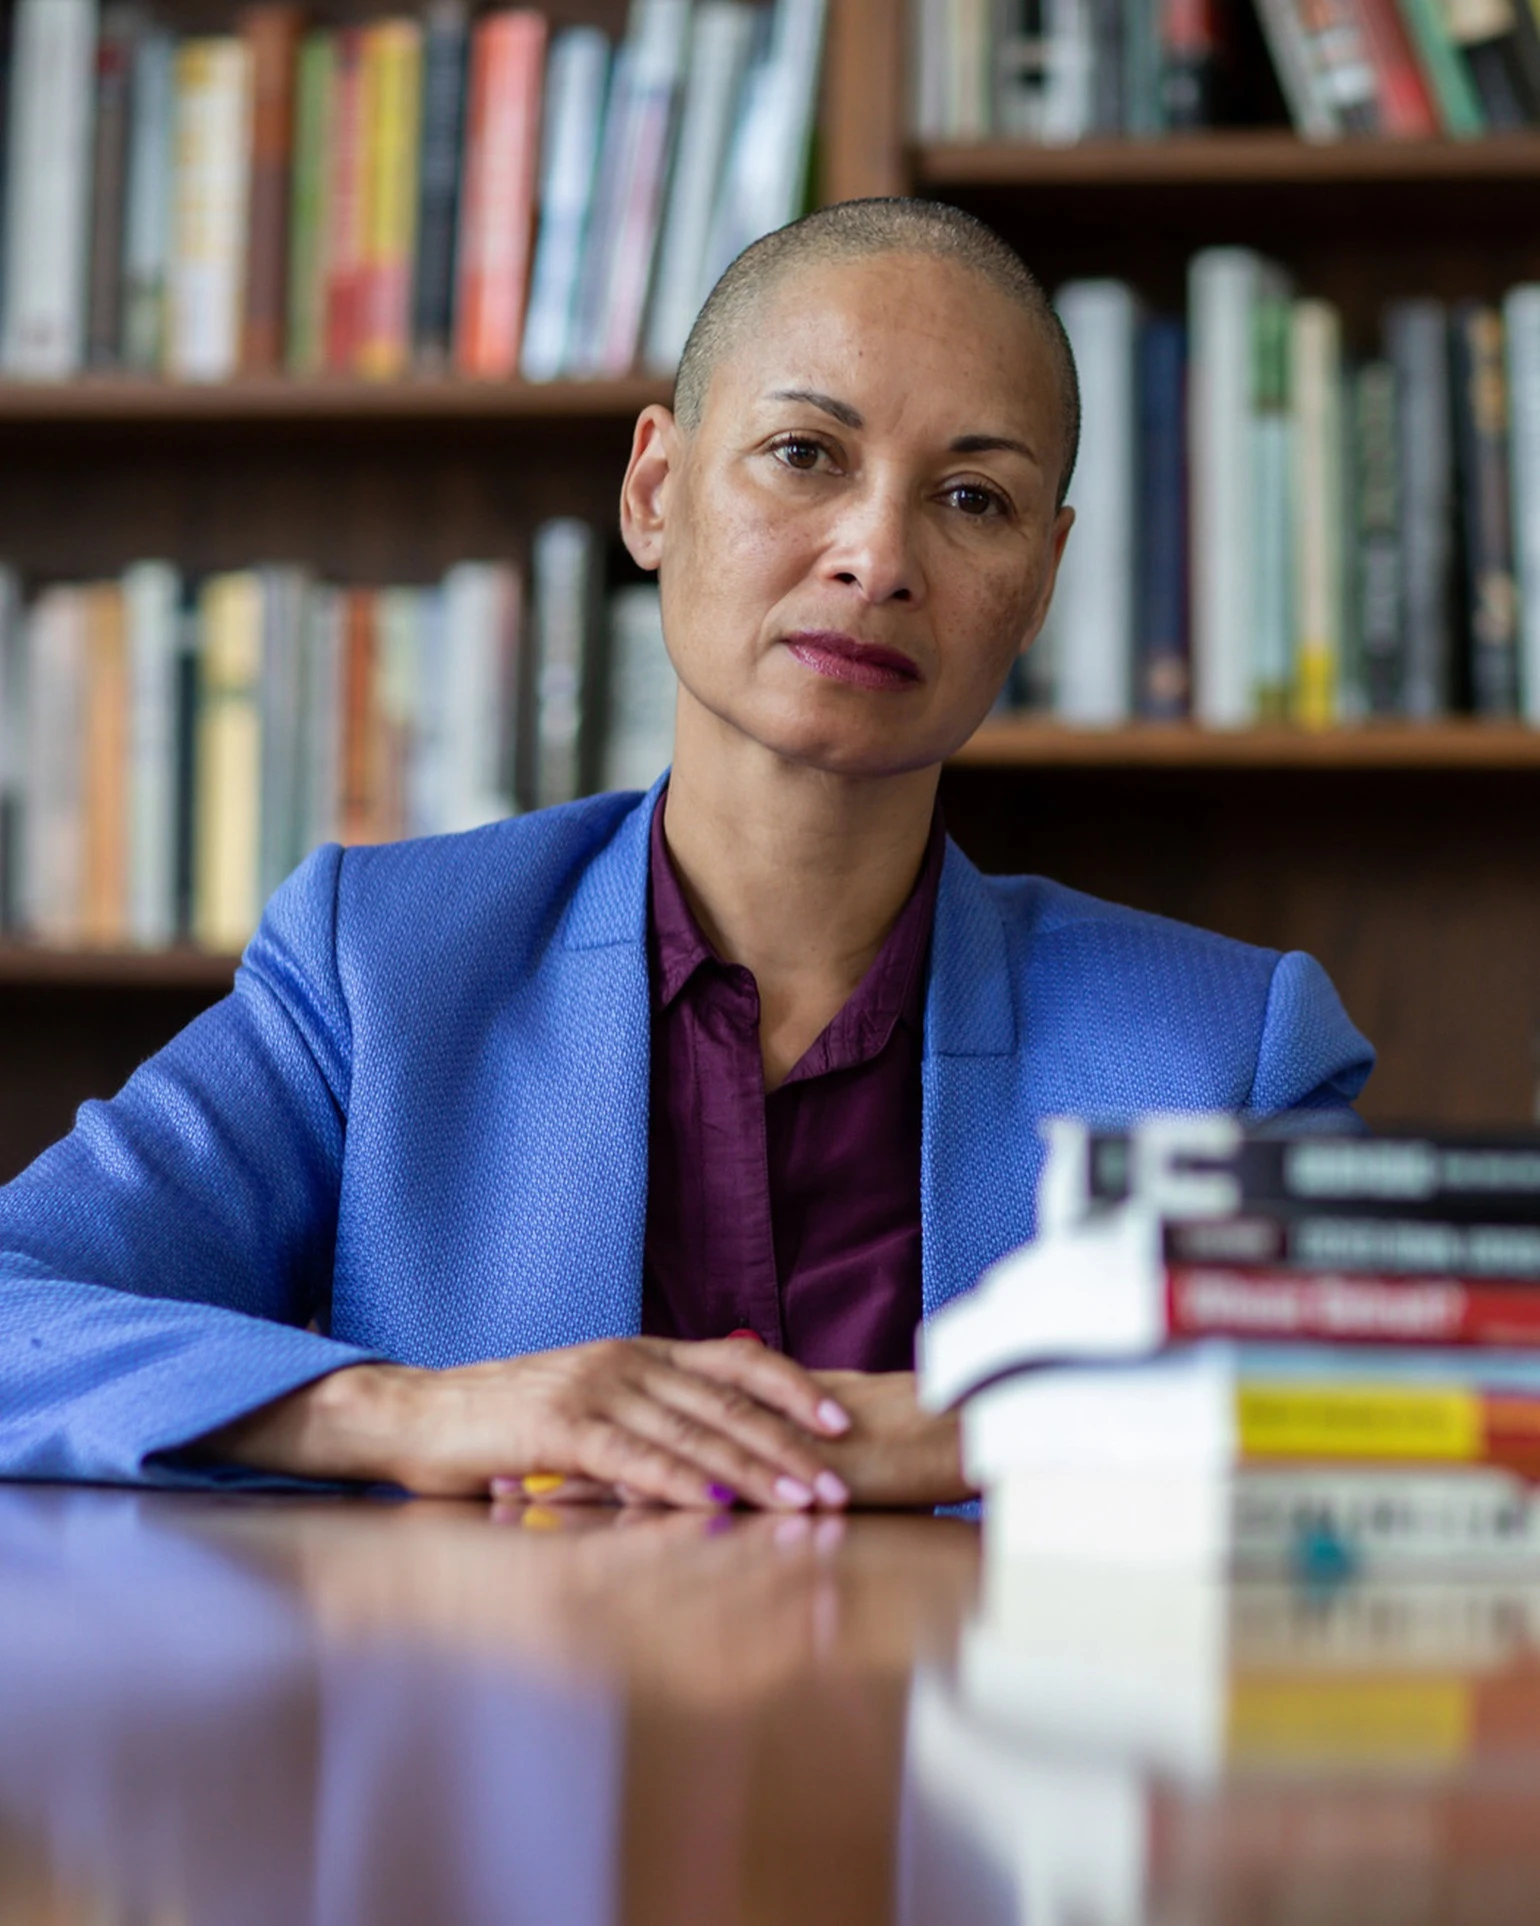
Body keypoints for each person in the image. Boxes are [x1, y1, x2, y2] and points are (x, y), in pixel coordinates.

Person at [0, 200, 1372, 1514]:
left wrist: (973, 1421)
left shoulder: (1224, 1054)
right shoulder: (384, 967)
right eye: (804, 454)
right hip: (494, 1747)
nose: (877, 555)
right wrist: (426, 1412)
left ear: (1043, 583)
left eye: (972, 497)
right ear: (654, 492)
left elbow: (1422, 1404)